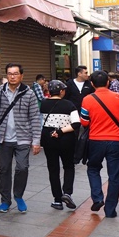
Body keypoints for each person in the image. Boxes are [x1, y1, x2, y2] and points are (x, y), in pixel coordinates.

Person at [0, 62, 41, 213]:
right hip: (3, 139)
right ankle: (5, 201)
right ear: (6, 75)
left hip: (23, 138)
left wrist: (36, 140)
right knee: (4, 170)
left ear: (21, 76)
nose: (12, 76)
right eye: (10, 73)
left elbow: (35, 118)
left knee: (22, 168)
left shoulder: (28, 93)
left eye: (15, 73)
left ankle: (18, 195)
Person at [80, 70, 119, 218]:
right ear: (108, 82)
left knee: (93, 168)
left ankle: (97, 197)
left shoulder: (87, 99)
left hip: (95, 140)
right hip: (117, 141)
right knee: (115, 175)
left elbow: (84, 122)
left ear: (92, 84)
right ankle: (110, 209)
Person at [40, 80, 80, 210]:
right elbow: (76, 124)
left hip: (48, 140)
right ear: (62, 91)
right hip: (66, 140)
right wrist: (60, 131)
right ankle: (67, 193)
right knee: (68, 166)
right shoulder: (69, 105)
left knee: (53, 169)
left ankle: (57, 200)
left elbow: (39, 122)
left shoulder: (43, 104)